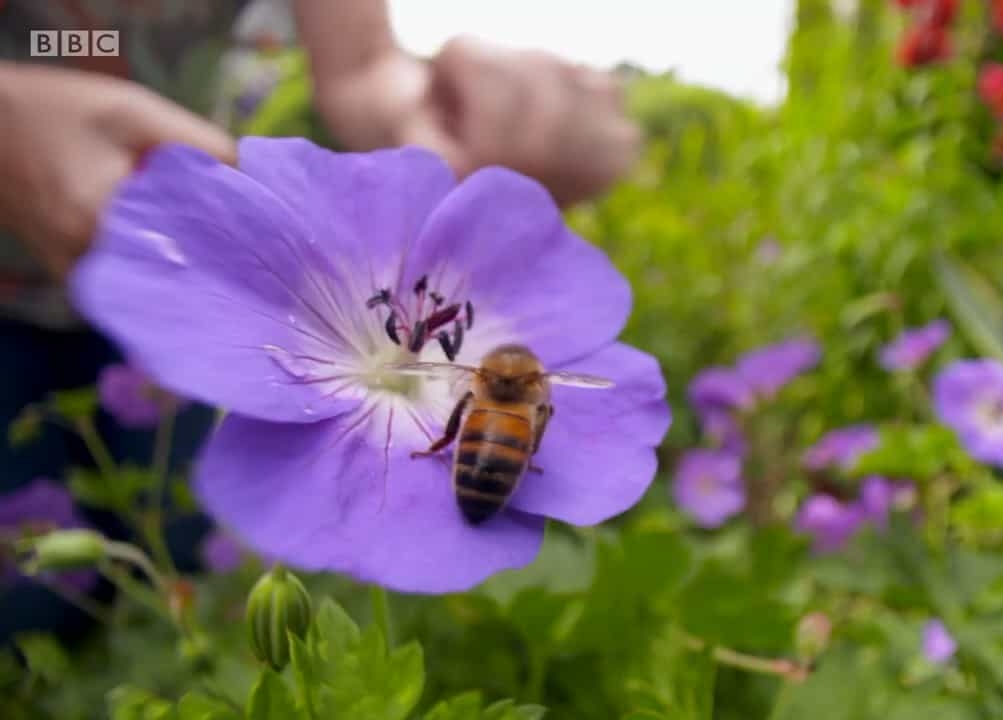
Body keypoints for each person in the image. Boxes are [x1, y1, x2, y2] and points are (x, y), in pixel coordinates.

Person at [0, 0, 640, 644]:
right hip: (48, 290)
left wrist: (431, 112)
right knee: (26, 598)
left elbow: (363, 66)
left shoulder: (491, 364)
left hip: (151, 257)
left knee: (172, 529)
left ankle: (146, 639)